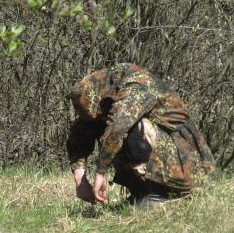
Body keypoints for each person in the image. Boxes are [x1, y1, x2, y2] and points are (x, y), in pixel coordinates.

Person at [67, 63, 215, 207]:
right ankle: (141, 191)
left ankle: (159, 192)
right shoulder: (105, 92)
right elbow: (82, 130)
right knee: (104, 125)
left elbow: (119, 127)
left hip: (189, 163)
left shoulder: (137, 83)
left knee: (128, 129)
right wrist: (81, 180)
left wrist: (100, 172)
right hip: (169, 158)